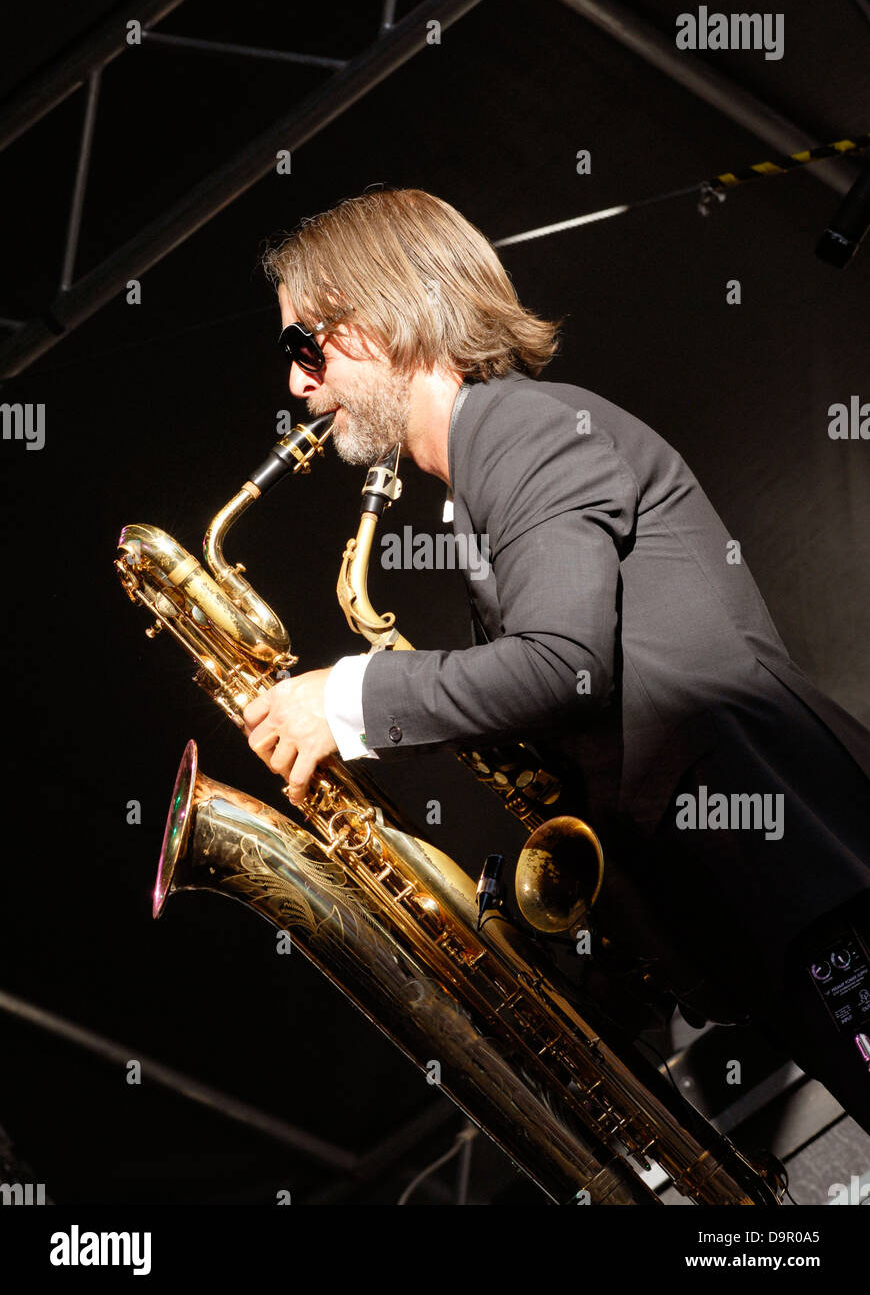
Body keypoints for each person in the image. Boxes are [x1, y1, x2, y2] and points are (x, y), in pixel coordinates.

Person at [243, 187, 870, 1136]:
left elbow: (565, 663)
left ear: (376, 322)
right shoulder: (491, 473)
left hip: (804, 876)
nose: (297, 386)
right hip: (769, 898)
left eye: (303, 347)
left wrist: (347, 699)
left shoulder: (520, 433)